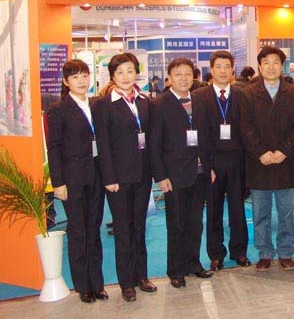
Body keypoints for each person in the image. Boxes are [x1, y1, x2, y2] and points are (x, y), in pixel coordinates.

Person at [95, 53, 157, 302]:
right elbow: (103, 144)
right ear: (112, 76)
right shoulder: (104, 105)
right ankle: (126, 282)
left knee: (139, 226)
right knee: (123, 229)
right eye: (120, 72)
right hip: (118, 178)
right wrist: (109, 177)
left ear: (136, 74)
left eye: (130, 71)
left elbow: (151, 139)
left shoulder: (145, 101)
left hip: (142, 174)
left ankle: (142, 276)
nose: (125, 76)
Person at [239, 46, 294, 271]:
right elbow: (245, 127)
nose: (271, 66)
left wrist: (284, 151)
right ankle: (265, 253)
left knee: (286, 214)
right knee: (261, 214)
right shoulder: (248, 93)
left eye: (275, 62)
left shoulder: (293, 93)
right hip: (259, 163)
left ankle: (286, 252)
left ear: (282, 65)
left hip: (286, 162)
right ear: (259, 66)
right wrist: (261, 152)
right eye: (266, 62)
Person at [47, 60, 106, 303]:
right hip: (72, 178)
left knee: (94, 229)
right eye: (75, 77)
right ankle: (83, 286)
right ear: (65, 81)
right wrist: (58, 182)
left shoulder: (97, 105)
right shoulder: (58, 109)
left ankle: (98, 283)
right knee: (78, 231)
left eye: (84, 76)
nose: (81, 81)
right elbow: (54, 148)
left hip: (97, 175)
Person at [149, 58, 212, 289]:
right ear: (169, 78)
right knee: (176, 224)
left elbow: (207, 137)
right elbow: (154, 144)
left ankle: (193, 263)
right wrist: (160, 176)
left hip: (200, 171)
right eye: (178, 74)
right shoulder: (159, 104)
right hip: (174, 174)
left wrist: (210, 167)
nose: (184, 78)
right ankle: (176, 270)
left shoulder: (200, 100)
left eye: (187, 74)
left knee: (196, 222)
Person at [195, 51, 251, 271]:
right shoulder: (199, 96)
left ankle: (240, 251)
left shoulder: (242, 94)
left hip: (237, 160)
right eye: (218, 66)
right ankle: (216, 254)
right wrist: (206, 165)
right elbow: (199, 133)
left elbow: (247, 129)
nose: (223, 71)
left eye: (227, 66)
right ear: (212, 70)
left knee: (238, 208)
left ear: (233, 70)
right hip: (213, 162)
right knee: (214, 210)